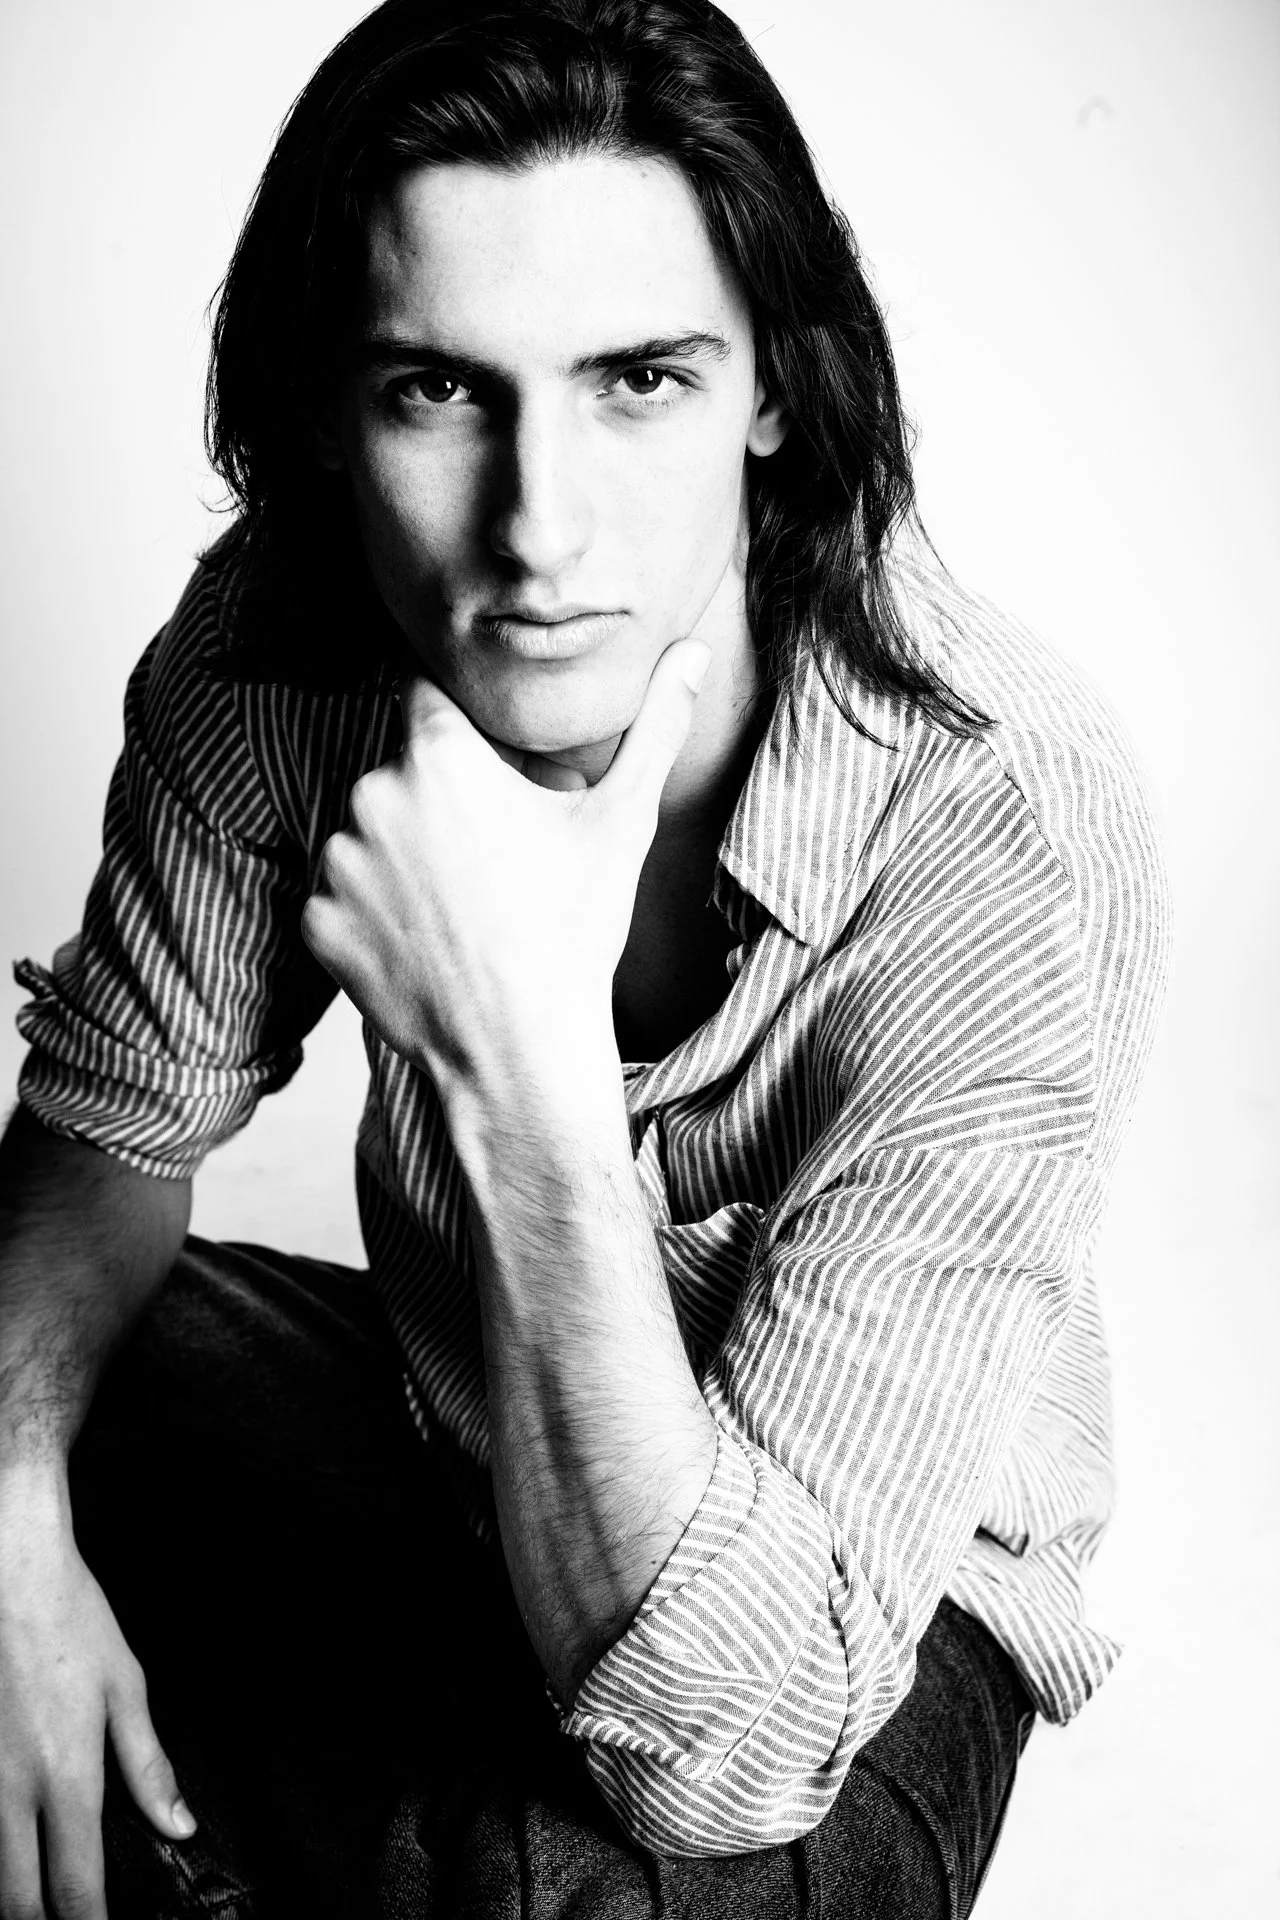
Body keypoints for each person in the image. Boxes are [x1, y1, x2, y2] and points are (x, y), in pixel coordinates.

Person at [0, 1, 1169, 1915]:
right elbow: (103, 1137)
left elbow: (738, 1741)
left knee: (617, 1890)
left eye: (639, 379)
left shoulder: (1005, 828)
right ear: (323, 410)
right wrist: (10, 1530)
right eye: (436, 393)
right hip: (450, 1438)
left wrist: (524, 1059)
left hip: (846, 1607)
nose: (539, 534)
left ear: (776, 389)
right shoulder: (280, 655)